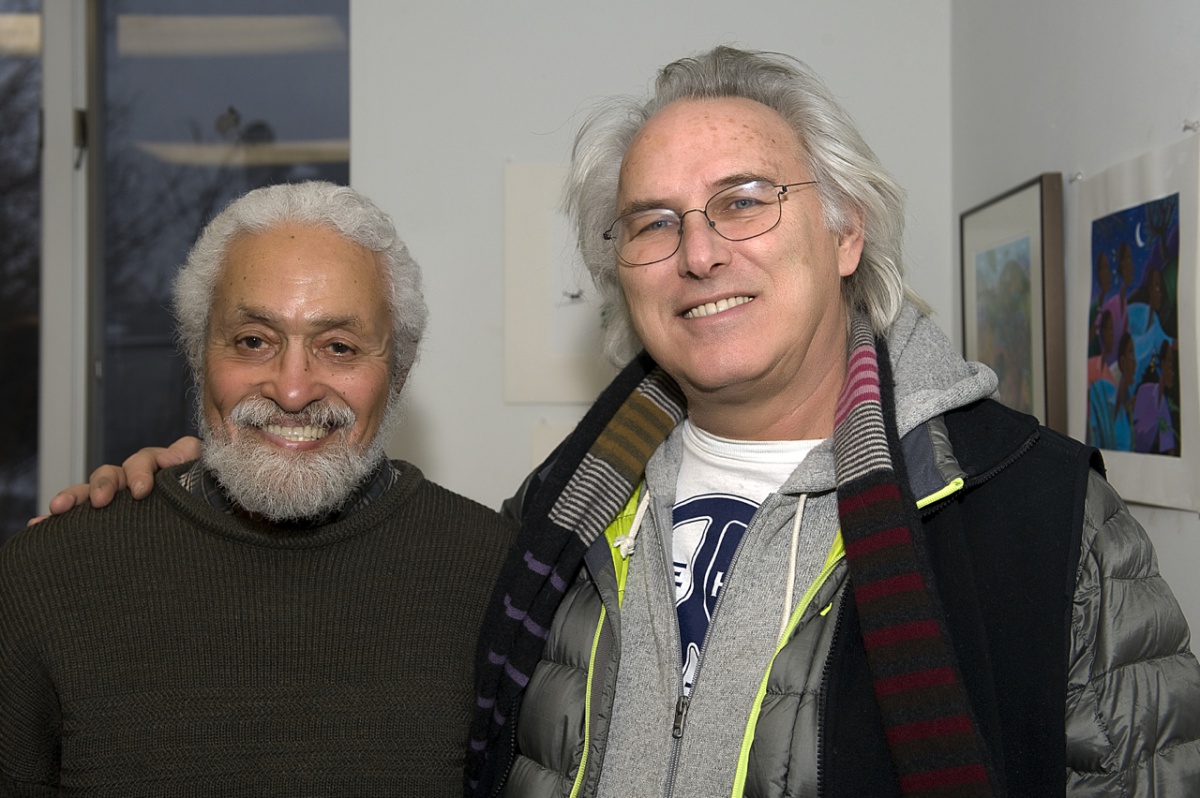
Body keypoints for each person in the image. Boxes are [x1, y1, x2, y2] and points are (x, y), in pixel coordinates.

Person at [39, 48, 1200, 798]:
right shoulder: (548, 532)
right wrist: (184, 500)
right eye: (652, 222)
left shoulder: (1042, 523)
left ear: (846, 233)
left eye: (744, 200)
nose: (699, 251)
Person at [2, 181, 516, 795]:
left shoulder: (499, 579)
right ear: (198, 355)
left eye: (339, 347)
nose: (293, 390)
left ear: (399, 373)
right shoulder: (47, 578)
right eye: (253, 341)